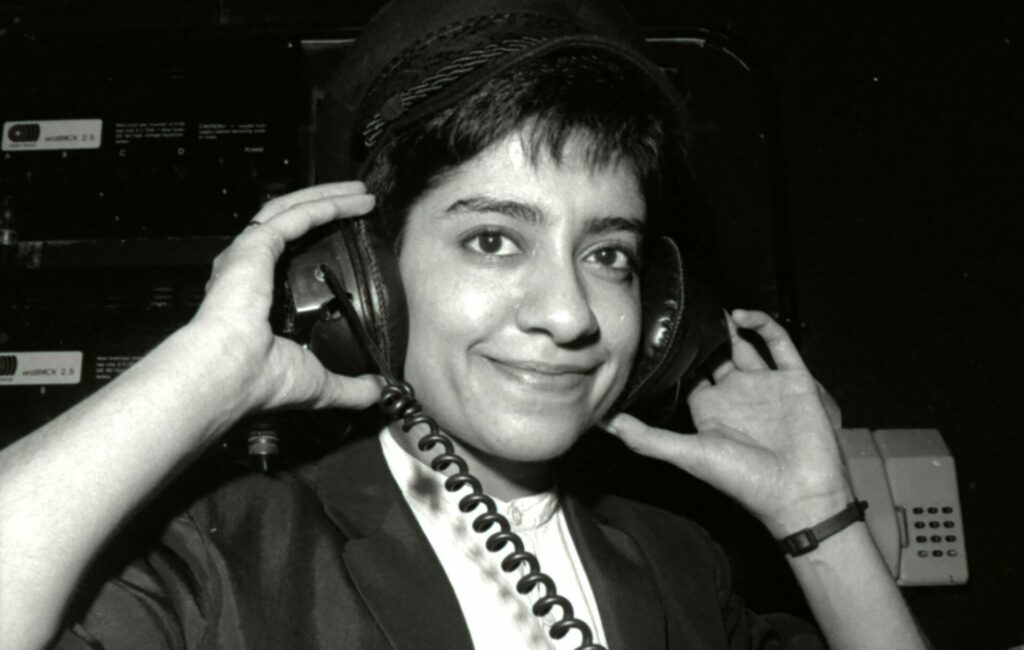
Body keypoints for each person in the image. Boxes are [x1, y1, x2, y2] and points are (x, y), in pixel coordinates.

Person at [0, 0, 930, 648]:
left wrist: (816, 515)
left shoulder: (679, 565)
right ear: (364, 279)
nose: (569, 314)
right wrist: (204, 372)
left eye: (608, 254)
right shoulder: (226, 561)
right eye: (493, 239)